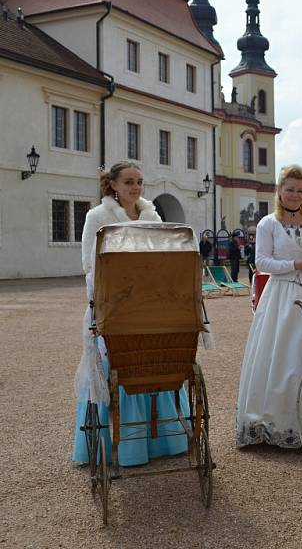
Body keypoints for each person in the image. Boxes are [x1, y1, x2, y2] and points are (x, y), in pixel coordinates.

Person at [72, 162, 188, 466]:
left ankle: (161, 437)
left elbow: (167, 256)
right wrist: (109, 294)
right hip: (115, 302)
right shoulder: (97, 217)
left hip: (151, 301)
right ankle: (120, 443)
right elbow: (89, 264)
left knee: (158, 359)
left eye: (139, 182)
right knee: (118, 364)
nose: (135, 188)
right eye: (128, 182)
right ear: (113, 184)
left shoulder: (152, 215)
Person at [236, 164, 302, 447]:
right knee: (285, 356)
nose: (294, 195)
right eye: (289, 189)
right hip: (282, 298)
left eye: (300, 190)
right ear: (280, 189)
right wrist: (294, 265)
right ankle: (283, 423)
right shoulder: (268, 223)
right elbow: (261, 262)